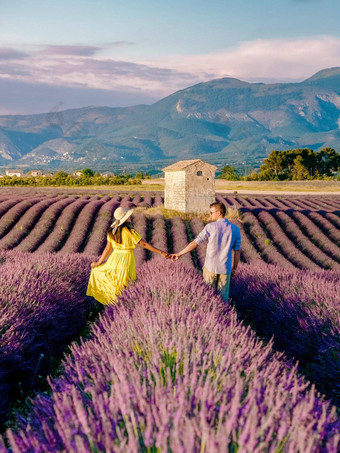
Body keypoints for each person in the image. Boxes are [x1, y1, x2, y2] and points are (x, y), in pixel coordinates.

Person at [87, 206, 169, 305]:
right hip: (126, 259)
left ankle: (112, 306)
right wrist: (161, 252)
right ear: (125, 219)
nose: (130, 218)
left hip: (114, 259)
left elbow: (108, 249)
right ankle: (121, 306)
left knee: (115, 283)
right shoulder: (130, 232)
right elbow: (144, 244)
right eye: (128, 216)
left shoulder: (112, 231)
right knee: (125, 284)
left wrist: (98, 262)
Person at [170, 202, 241, 301]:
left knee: (208, 296)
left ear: (219, 213)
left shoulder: (210, 227)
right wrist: (234, 269)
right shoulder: (235, 229)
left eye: (211, 212)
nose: (210, 214)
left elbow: (195, 243)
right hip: (225, 268)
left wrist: (180, 254)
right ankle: (222, 316)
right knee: (223, 299)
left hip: (210, 267)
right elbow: (237, 252)